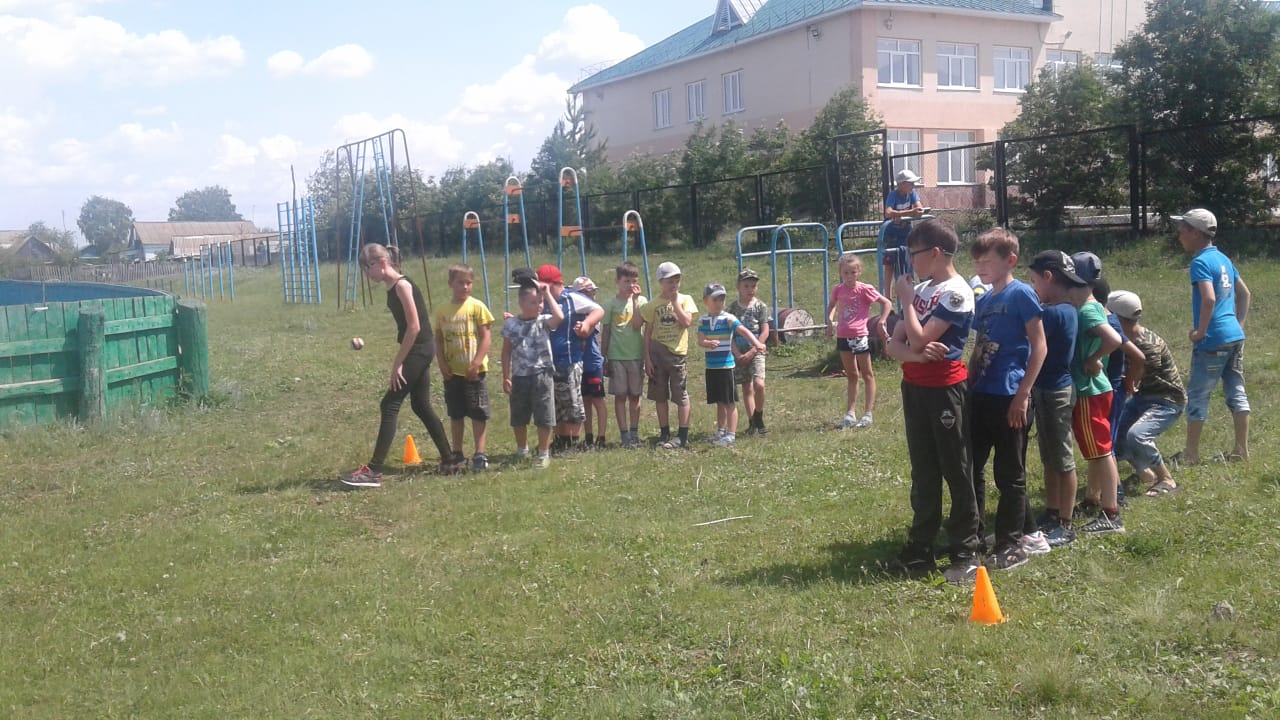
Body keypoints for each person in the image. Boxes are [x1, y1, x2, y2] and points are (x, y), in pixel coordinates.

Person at [877, 220, 980, 586]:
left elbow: (917, 337)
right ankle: (921, 546)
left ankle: (966, 549)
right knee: (923, 469)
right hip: (915, 386)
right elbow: (894, 345)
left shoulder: (956, 292)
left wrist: (906, 305)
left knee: (956, 467)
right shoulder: (921, 289)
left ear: (935, 253)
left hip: (944, 390)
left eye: (913, 254)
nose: (910, 262)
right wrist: (918, 357)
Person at [966, 229, 1047, 569]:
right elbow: (979, 346)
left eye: (987, 261)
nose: (981, 267)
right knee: (971, 467)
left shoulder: (1021, 294)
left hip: (1010, 395)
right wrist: (969, 382)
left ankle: (1011, 544)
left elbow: (1039, 346)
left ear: (1010, 260)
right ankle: (974, 535)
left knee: (1009, 473)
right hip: (981, 394)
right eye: (977, 262)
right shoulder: (985, 301)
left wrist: (1023, 395)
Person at [343, 244, 452, 488]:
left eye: (367, 268)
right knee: (421, 405)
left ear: (381, 263)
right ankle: (450, 459)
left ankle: (373, 471)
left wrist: (398, 364)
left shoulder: (402, 285)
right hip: (419, 348)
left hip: (419, 349)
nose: (367, 274)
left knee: (389, 404)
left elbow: (414, 327)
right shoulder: (392, 286)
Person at [1173, 208, 1251, 465]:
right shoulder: (1223, 258)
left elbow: (1208, 298)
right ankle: (1241, 450)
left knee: (1198, 394)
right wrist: (1238, 325)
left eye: (1183, 230)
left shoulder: (1200, 262)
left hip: (1212, 340)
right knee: (1236, 391)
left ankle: (1191, 455)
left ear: (1195, 233)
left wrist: (1200, 332)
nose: (1179, 235)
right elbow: (1245, 294)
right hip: (1234, 336)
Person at [1065, 251, 1132, 535]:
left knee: (1102, 451)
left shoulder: (1088, 310)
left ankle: (1111, 514)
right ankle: (1094, 500)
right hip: (1094, 389)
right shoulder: (1088, 306)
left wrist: (1093, 359)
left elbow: (1114, 339)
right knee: (1096, 450)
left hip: (1090, 389)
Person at [1025, 251, 1084, 547]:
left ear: (1048, 277)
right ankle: (1051, 511)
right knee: (1049, 456)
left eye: (1034, 281)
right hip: (1047, 388)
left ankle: (1065, 521)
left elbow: (1029, 341)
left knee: (1061, 457)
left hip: (1056, 392)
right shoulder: (1067, 309)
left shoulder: (1052, 314)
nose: (1033, 287)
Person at [1106, 290, 1186, 496]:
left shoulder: (1147, 345)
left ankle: (1166, 479)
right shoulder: (1124, 338)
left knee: (1137, 436)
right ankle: (1145, 473)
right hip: (1143, 398)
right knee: (1116, 435)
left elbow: (1132, 380)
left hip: (1166, 401)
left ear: (1117, 318)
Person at [536, 264, 604, 454]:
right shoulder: (541, 301)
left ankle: (573, 441)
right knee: (555, 404)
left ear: (554, 284)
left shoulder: (571, 298)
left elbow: (598, 310)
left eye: (544, 286)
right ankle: (560, 439)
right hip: (547, 362)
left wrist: (587, 324)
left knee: (571, 403)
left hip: (569, 360)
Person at [433, 264, 495, 472]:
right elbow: (438, 340)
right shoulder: (442, 311)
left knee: (478, 413)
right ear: (450, 284)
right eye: (460, 282)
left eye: (469, 283)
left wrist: (476, 362)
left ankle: (480, 453)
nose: (465, 287)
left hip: (474, 372)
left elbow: (486, 337)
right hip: (452, 373)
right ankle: (457, 452)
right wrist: (442, 363)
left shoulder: (477, 307)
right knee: (456, 413)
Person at [500, 280, 564, 469]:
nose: (539, 306)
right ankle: (522, 449)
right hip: (519, 376)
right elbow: (506, 351)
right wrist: (506, 376)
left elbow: (559, 317)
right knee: (518, 415)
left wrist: (547, 293)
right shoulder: (511, 324)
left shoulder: (543, 321)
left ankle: (544, 453)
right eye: (534, 302)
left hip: (542, 375)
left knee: (544, 415)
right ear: (521, 303)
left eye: (540, 302)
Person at [636, 261, 699, 449]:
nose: (674, 285)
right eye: (670, 281)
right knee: (660, 395)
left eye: (677, 281)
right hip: (657, 353)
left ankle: (683, 435)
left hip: (676, 355)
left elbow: (686, 322)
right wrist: (647, 359)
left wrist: (675, 302)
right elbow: (647, 333)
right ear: (660, 282)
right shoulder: (652, 305)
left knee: (681, 395)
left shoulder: (685, 299)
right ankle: (664, 433)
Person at [697, 282, 767, 447]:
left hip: (726, 367)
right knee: (719, 401)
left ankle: (731, 434)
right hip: (711, 367)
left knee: (729, 402)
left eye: (722, 299)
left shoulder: (729, 318)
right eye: (715, 300)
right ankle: (720, 431)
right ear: (706, 301)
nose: (719, 303)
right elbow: (700, 340)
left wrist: (757, 343)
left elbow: (744, 331)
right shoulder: (703, 320)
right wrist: (707, 343)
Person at [827, 252, 890, 429]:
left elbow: (886, 303)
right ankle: (850, 414)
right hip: (843, 335)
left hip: (860, 335)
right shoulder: (838, 289)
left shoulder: (865, 289)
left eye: (853, 273)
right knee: (851, 374)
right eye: (846, 273)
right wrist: (829, 321)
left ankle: (868, 413)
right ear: (841, 273)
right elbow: (831, 306)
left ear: (859, 272)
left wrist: (882, 321)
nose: (849, 276)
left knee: (867, 374)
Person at [600, 262, 648, 449]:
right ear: (617, 281)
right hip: (616, 356)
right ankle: (624, 434)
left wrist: (635, 302)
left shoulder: (642, 302)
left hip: (636, 355)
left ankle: (634, 433)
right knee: (620, 396)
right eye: (626, 281)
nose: (630, 285)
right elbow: (606, 332)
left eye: (634, 281)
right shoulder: (610, 305)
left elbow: (637, 325)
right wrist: (604, 357)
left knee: (635, 395)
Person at [729, 268, 771, 435]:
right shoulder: (732, 309)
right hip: (739, 352)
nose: (750, 289)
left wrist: (754, 349)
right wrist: (737, 354)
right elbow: (728, 335)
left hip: (756, 349)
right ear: (738, 287)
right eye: (746, 286)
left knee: (759, 384)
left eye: (753, 286)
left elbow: (765, 331)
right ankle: (753, 423)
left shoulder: (760, 306)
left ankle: (758, 415)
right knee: (746, 387)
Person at [571, 276, 609, 450]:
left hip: (593, 363)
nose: (592, 294)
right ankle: (588, 436)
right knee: (585, 400)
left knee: (597, 400)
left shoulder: (593, 313)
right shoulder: (573, 314)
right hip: (578, 363)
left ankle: (601, 437)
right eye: (587, 292)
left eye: (593, 291)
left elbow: (586, 332)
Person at [883, 168, 925, 295]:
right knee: (889, 266)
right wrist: (909, 212)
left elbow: (919, 206)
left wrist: (918, 211)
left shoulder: (912, 193)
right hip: (892, 235)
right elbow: (888, 212)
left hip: (906, 233)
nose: (913, 185)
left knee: (911, 261)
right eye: (910, 183)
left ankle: (913, 292)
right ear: (901, 184)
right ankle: (887, 297)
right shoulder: (893, 195)